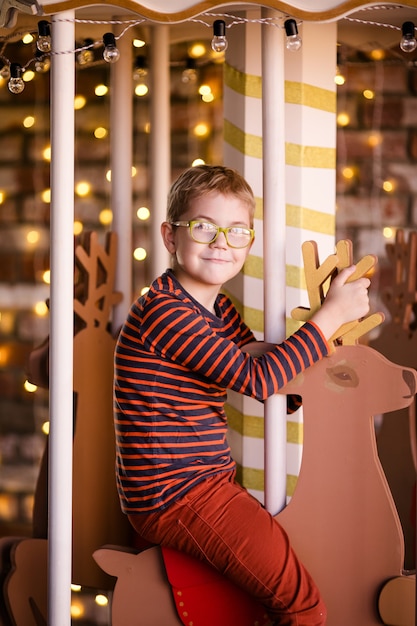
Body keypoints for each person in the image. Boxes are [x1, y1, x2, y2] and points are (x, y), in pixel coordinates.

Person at [113, 164, 370, 625]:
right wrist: (327, 319)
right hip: (178, 492)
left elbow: (258, 358)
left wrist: (314, 366)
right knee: (304, 606)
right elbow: (258, 379)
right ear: (170, 236)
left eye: (236, 232)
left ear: (249, 244)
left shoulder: (215, 307)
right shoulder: (165, 311)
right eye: (204, 227)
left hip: (206, 481)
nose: (220, 243)